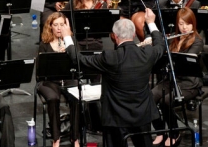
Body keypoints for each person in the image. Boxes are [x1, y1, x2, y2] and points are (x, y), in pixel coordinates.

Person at [61, 8, 165, 147]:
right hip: (142, 113)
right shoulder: (147, 53)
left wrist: (67, 36)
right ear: (134, 34)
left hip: (116, 116)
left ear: (114, 36)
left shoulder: (109, 57)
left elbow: (78, 60)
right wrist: (151, 23)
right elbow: (160, 44)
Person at [151, 7, 203, 146]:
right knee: (150, 97)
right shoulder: (173, 39)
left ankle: (175, 133)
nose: (184, 27)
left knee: (166, 101)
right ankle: (160, 131)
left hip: (189, 83)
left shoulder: (197, 41)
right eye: (181, 24)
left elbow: (188, 58)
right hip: (171, 79)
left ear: (193, 23)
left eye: (187, 23)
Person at [38, 12, 79, 147]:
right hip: (49, 80)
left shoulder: (71, 43)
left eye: (62, 24)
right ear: (51, 27)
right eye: (56, 25)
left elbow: (77, 65)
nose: (59, 28)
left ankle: (75, 137)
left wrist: (67, 55)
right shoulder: (44, 44)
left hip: (67, 78)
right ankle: (56, 139)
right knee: (53, 99)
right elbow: (41, 71)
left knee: (76, 97)